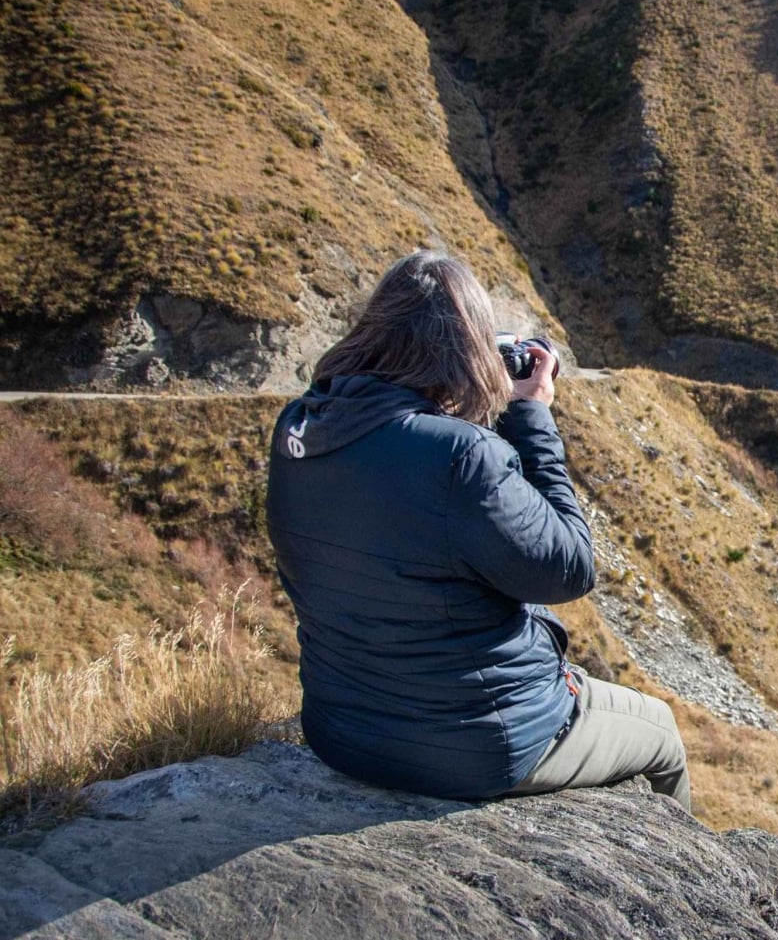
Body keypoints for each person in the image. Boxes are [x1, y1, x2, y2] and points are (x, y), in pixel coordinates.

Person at [266, 250, 690, 809]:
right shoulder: (462, 456)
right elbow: (569, 568)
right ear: (467, 349)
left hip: (342, 733)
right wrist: (530, 416)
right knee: (662, 732)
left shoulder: (301, 427)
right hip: (472, 747)